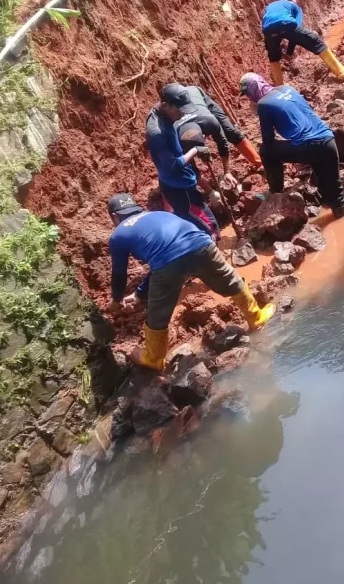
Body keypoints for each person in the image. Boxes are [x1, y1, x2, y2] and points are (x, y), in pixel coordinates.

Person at [107, 194, 276, 370]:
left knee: (157, 313)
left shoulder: (118, 235)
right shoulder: (157, 214)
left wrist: (116, 300)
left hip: (167, 263)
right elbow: (170, 251)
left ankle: (154, 358)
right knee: (230, 279)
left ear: (114, 217)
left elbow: (120, 273)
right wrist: (138, 294)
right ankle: (256, 317)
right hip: (202, 245)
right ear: (136, 208)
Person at [240, 72, 344, 219]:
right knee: (335, 193)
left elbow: (268, 141)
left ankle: (275, 193)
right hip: (328, 140)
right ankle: (342, 216)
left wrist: (259, 112)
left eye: (247, 94)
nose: (248, 98)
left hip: (311, 147)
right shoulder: (286, 88)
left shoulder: (263, 104)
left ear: (252, 90)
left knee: (265, 151)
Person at [146, 92, 220, 239]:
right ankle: (213, 257)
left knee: (200, 224)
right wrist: (195, 150)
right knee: (209, 229)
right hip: (179, 189)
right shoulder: (158, 134)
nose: (181, 116)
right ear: (166, 106)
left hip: (179, 183)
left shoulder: (159, 113)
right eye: (178, 111)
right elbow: (174, 165)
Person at [161, 82, 262, 171]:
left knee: (230, 131)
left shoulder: (209, 121)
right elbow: (183, 163)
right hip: (184, 111)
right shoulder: (175, 133)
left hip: (199, 99)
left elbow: (222, 142)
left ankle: (258, 162)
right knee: (185, 160)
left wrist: (227, 172)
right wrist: (209, 191)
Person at [261, 0, 344, 86]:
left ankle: (279, 85)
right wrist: (290, 51)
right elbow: (297, 28)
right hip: (286, 23)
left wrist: (270, 46)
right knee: (316, 42)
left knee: (273, 57)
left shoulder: (270, 6)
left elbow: (267, 21)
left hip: (267, 29)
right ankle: (341, 72)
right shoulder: (296, 7)